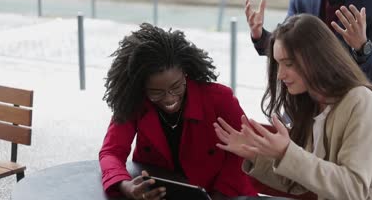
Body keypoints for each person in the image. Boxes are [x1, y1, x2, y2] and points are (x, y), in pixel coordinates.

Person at [214, 14, 372, 199]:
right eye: (278, 64)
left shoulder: (361, 102)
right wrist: (256, 156)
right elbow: (301, 182)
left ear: (317, 59)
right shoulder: (314, 104)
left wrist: (286, 152)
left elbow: (353, 189)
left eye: (288, 64)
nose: (280, 75)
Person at [99, 23, 257, 199]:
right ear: (141, 87)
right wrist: (124, 185)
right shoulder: (134, 102)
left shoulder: (219, 98)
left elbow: (243, 152)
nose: (169, 98)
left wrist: (219, 195)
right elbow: (111, 152)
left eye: (176, 86)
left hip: (226, 195)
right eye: (156, 92)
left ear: (185, 73)